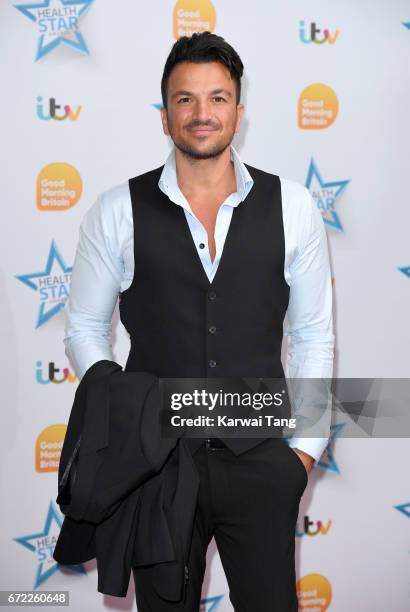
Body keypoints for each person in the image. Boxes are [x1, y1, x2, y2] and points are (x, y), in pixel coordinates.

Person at [64, 31, 334, 611]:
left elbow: (313, 335)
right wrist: (125, 406)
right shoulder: (117, 211)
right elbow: (85, 327)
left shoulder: (293, 207)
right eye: (185, 99)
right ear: (165, 117)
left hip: (262, 461)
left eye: (217, 97)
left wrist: (302, 455)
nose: (202, 113)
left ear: (239, 111)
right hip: (157, 467)